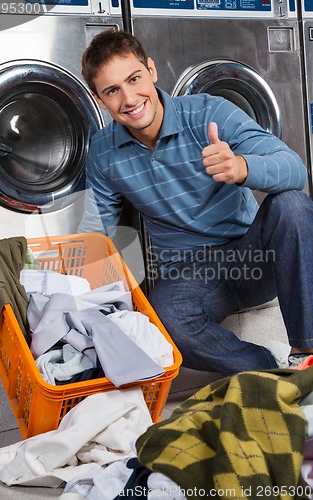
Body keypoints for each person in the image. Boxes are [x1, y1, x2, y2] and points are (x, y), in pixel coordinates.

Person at [78, 29, 313, 376]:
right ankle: (271, 371)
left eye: (134, 79)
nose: (129, 98)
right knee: (166, 317)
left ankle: (306, 353)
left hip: (252, 255)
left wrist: (241, 167)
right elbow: (96, 233)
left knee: (291, 204)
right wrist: (69, 293)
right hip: (190, 276)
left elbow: (295, 169)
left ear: (152, 71)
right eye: (112, 90)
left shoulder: (209, 113)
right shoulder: (103, 152)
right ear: (100, 99)